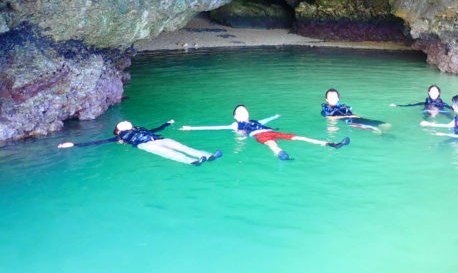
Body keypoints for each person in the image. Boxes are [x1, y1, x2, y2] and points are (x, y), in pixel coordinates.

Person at [180, 105, 350, 160]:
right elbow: (217, 128)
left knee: (299, 137)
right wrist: (192, 128)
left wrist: (274, 116)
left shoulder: (255, 121)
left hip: (269, 130)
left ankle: (332, 144)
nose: (243, 113)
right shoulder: (235, 125)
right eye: (239, 112)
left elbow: (265, 122)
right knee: (271, 143)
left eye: (244, 111)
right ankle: (282, 155)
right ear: (235, 116)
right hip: (259, 136)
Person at [57, 119, 222, 166]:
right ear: (118, 130)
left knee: (184, 147)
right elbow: (99, 142)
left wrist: (167, 124)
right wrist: (74, 144)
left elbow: (155, 129)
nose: (123, 122)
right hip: (147, 145)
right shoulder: (121, 137)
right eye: (119, 124)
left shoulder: (140, 128)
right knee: (171, 154)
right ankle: (193, 161)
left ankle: (208, 156)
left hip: (158, 138)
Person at [322, 88, 388, 132]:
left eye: (334, 97)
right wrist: (346, 117)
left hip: (356, 118)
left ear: (338, 99)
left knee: (386, 124)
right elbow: (330, 118)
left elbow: (351, 113)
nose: (333, 99)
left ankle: (381, 132)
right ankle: (380, 134)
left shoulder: (342, 107)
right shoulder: (325, 110)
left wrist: (355, 115)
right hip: (350, 122)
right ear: (326, 99)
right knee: (376, 129)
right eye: (330, 97)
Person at [389, 84, 453, 117]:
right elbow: (412, 105)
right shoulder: (425, 103)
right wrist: (397, 105)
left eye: (435, 91)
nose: (433, 93)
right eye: (432, 91)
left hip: (441, 112)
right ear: (429, 93)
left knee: (449, 115)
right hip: (427, 114)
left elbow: (452, 108)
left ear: (438, 93)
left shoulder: (442, 104)